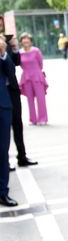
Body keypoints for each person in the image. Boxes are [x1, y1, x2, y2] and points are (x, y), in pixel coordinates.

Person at [2, 35, 37, 168]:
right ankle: (5, 162)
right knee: (4, 127)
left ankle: (22, 156)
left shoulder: (8, 45)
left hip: (12, 90)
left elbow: (16, 62)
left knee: (17, 122)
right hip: (1, 92)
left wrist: (14, 47)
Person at [18, 33, 48, 126]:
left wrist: (36, 72)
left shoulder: (36, 51)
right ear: (21, 41)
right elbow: (20, 64)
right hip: (26, 77)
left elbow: (40, 64)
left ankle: (42, 118)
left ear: (30, 41)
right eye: (24, 39)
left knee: (40, 98)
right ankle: (33, 119)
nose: (25, 41)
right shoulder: (19, 52)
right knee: (29, 99)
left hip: (37, 76)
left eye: (27, 39)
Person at [0, 37, 16, 206]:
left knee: (3, 151)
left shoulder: (2, 54)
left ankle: (2, 192)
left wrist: (3, 53)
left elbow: (11, 74)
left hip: (2, 106)